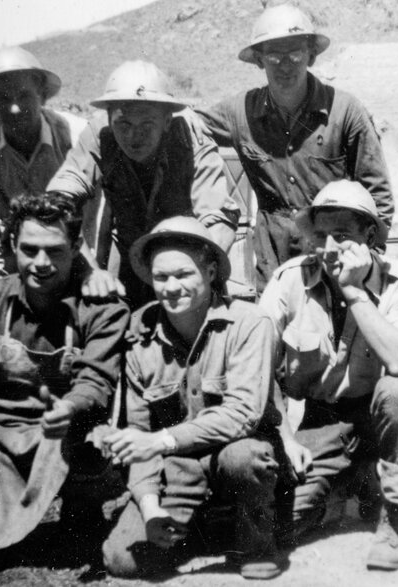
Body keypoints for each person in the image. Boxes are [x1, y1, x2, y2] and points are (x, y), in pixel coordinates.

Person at [0, 192, 129, 575]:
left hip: (72, 438)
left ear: (75, 248)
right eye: (29, 249)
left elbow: (97, 381)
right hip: (4, 441)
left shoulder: (102, 310)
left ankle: (81, 510)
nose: (41, 263)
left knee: (80, 542)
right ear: (13, 247)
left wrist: (70, 407)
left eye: (54, 251)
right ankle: (7, 513)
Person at [259, 180, 398, 571]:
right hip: (323, 420)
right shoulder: (290, 279)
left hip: (378, 415)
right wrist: (285, 437)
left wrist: (354, 292)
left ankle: (395, 514)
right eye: (320, 236)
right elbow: (257, 365)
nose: (329, 248)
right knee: (285, 525)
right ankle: (350, 483)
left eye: (343, 235)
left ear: (370, 235)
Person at [99, 216, 286, 580]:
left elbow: (242, 415)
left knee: (244, 457)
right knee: (122, 560)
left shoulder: (250, 323)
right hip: (179, 470)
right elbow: (140, 435)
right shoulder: (140, 339)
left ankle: (256, 542)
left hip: (237, 456)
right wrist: (151, 508)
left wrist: (160, 441)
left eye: (183, 274)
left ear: (211, 271)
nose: (171, 287)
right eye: (161, 277)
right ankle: (210, 526)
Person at [198, 3, 394, 292]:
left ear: (311, 56)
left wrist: (369, 260)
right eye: (274, 55)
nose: (285, 65)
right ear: (259, 60)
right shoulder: (239, 113)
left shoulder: (345, 112)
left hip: (335, 255)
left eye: (295, 53)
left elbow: (378, 194)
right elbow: (186, 125)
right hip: (272, 261)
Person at [48, 60, 239, 309]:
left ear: (167, 121)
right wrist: (89, 270)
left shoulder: (191, 134)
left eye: (147, 125)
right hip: (130, 260)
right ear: (108, 118)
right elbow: (57, 203)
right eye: (123, 125)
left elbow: (218, 218)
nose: (133, 137)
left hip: (188, 263)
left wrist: (190, 273)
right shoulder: (99, 134)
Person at [0, 46, 91, 280]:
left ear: (42, 94)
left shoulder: (77, 136)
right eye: (3, 98)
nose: (15, 108)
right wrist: (2, 294)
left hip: (76, 260)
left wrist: (92, 275)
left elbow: (93, 222)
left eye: (24, 95)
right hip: (17, 264)